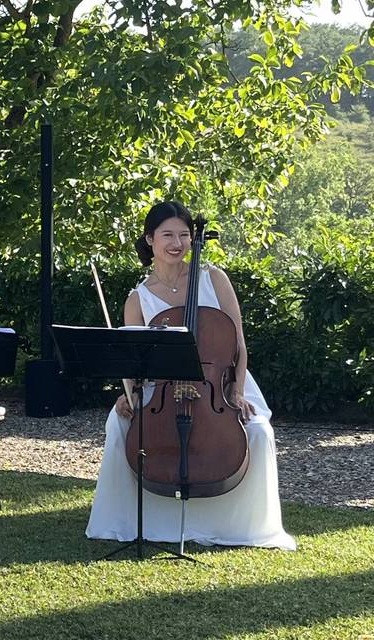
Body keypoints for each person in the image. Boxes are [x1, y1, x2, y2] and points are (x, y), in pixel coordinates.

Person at [86, 201, 295, 550]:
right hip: (162, 392)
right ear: (150, 239)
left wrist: (238, 391)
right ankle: (126, 521)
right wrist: (131, 394)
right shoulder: (137, 299)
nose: (177, 243)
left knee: (258, 429)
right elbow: (135, 364)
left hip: (221, 386)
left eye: (184, 235)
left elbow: (239, 345)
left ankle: (243, 528)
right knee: (119, 422)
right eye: (167, 234)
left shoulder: (213, 278)